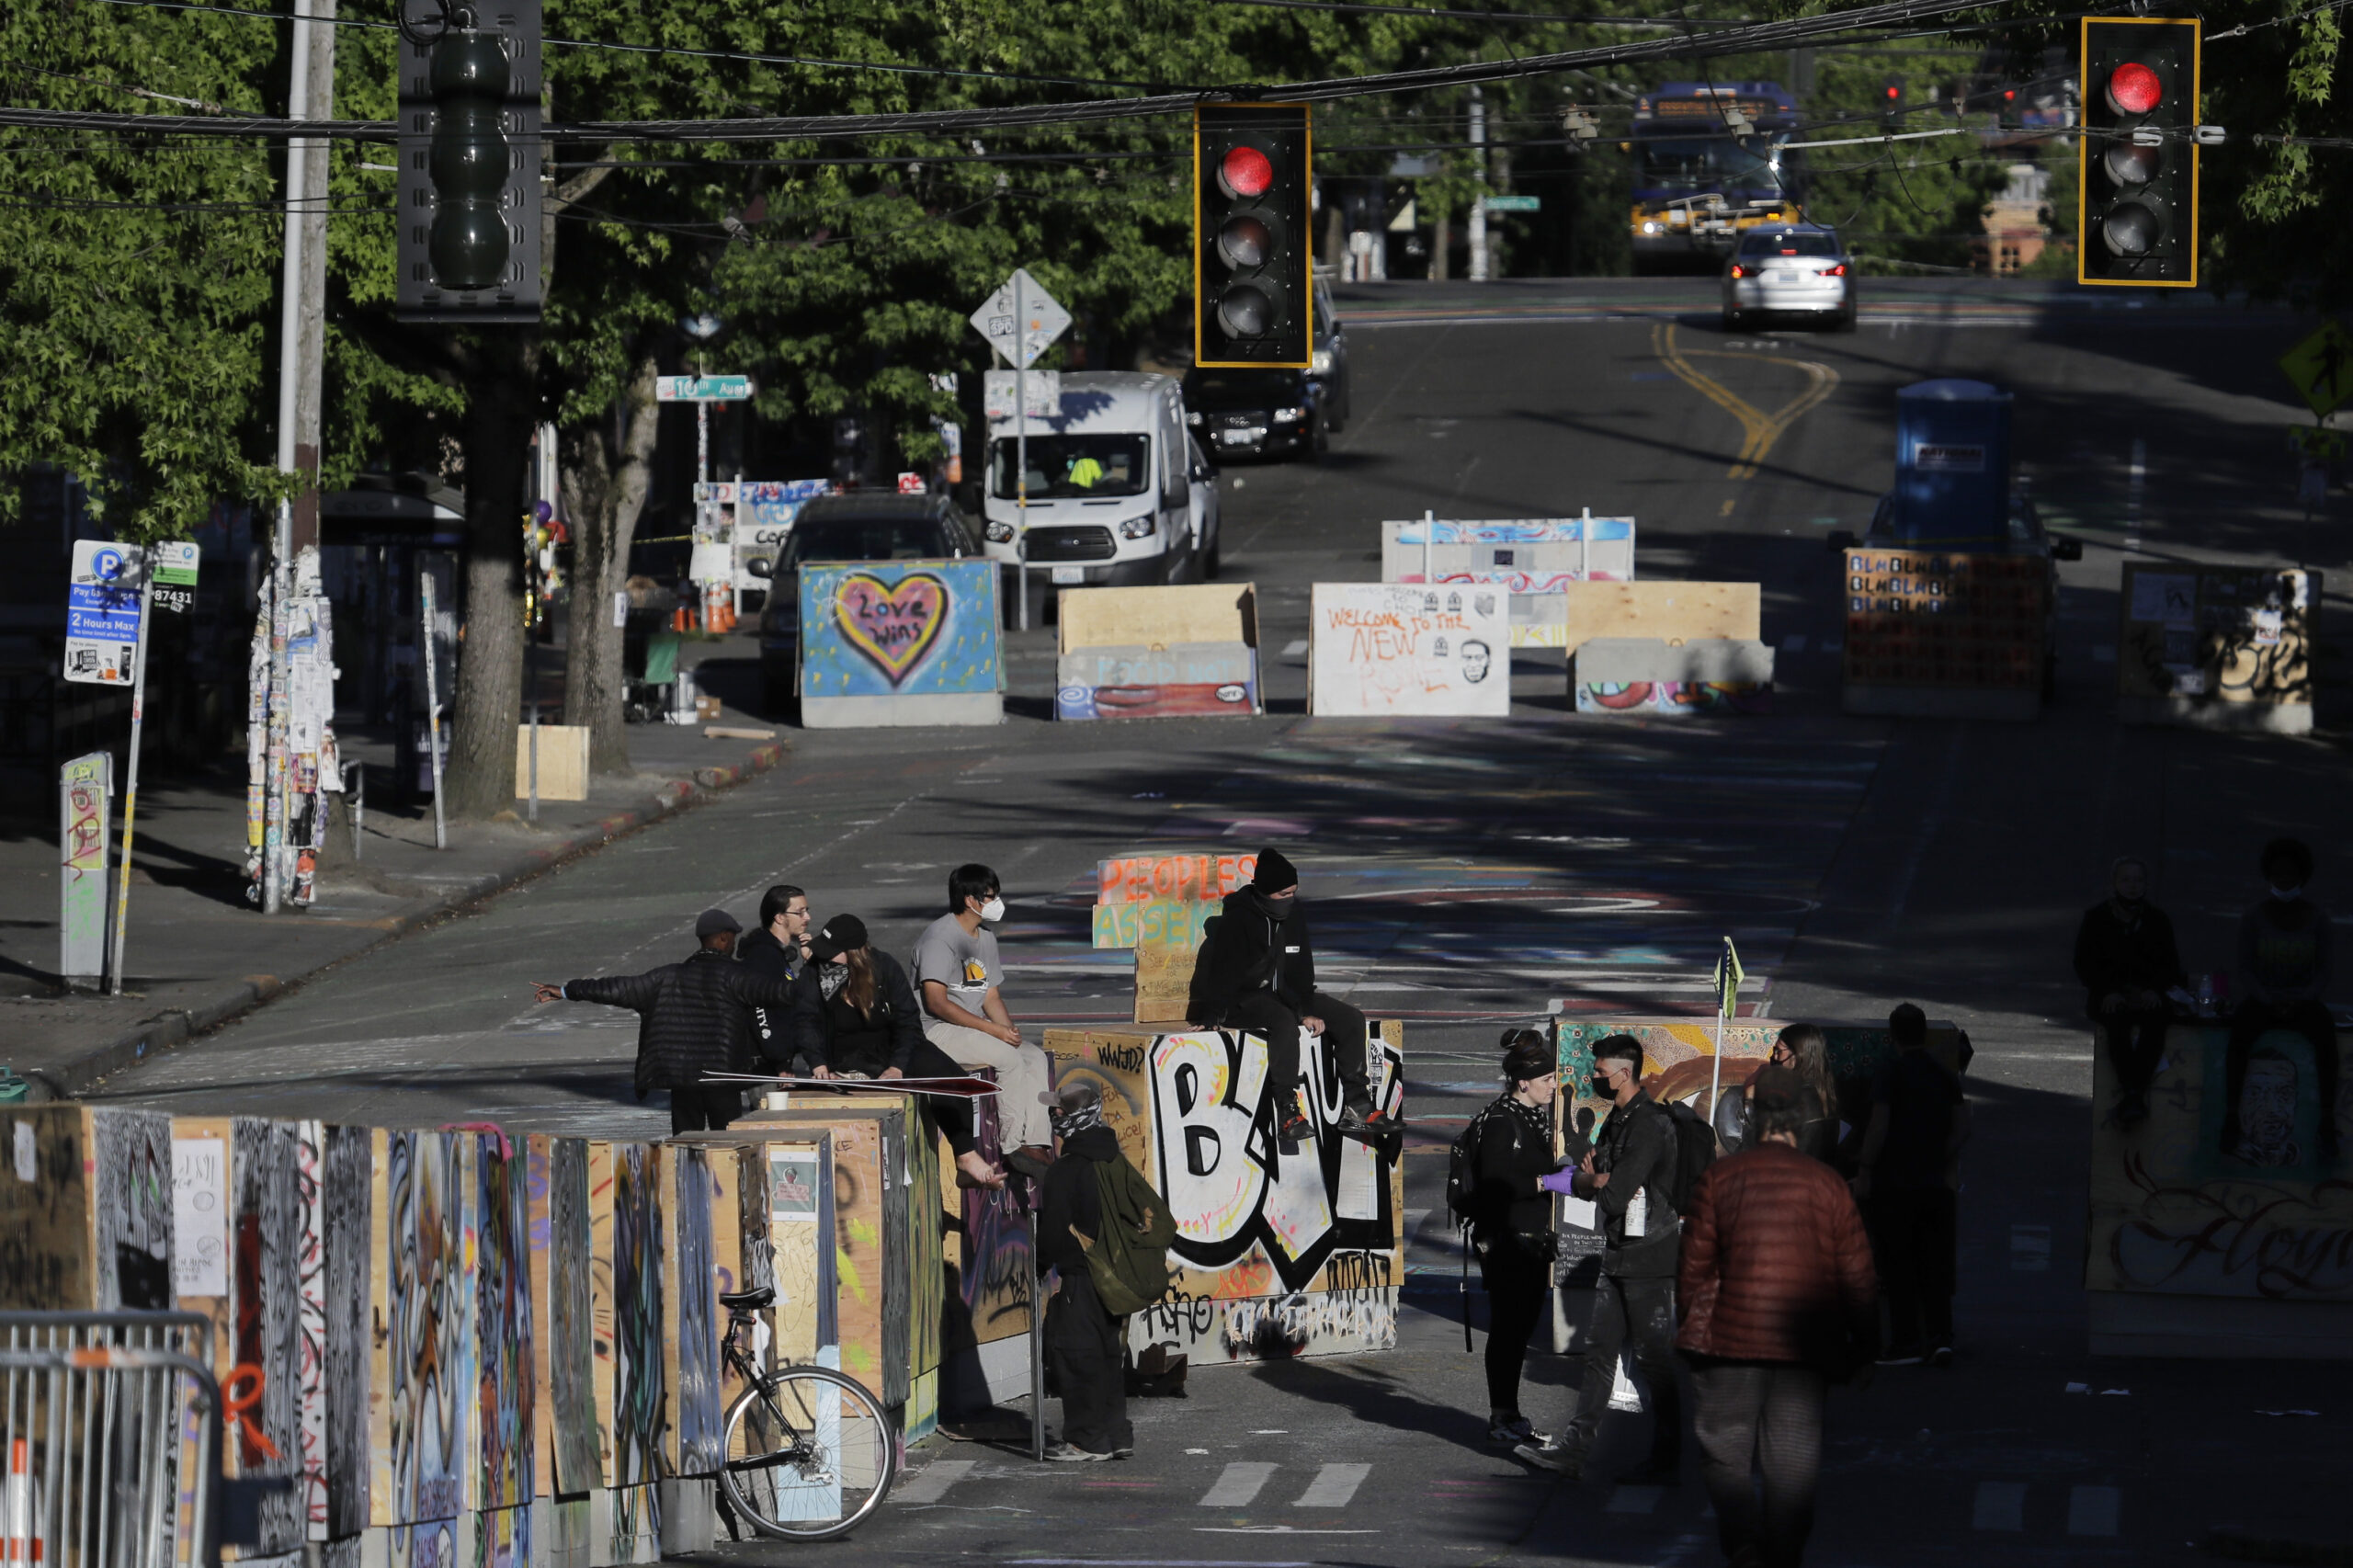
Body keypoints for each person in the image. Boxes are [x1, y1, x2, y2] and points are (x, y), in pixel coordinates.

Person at [1678, 1065, 1879, 1568]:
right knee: (1792, 1460)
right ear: (1804, 1120)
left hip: (1728, 1341)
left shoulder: (1720, 1179)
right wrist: (1865, 1348)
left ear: (1753, 1117)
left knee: (1723, 1450)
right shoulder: (1828, 1186)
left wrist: (1690, 1329)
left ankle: (1745, 1543)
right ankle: (1784, 1554)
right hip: (1805, 1346)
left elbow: (1692, 1270)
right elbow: (1857, 1275)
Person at [1516, 1034, 1683, 1485]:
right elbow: (1600, 1170)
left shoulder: (1648, 1124)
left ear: (1623, 1073)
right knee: (1599, 1354)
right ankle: (1574, 1450)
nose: (1594, 1078)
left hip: (1649, 1257)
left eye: (1600, 1071)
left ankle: (1672, 1451)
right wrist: (1595, 1172)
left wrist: (1590, 1178)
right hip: (1618, 1253)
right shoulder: (1618, 1119)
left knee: (1653, 1359)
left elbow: (1610, 1194)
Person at [784, 914, 1003, 1190]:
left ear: (854, 953)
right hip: (847, 1052)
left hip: (892, 1046)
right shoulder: (813, 973)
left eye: (833, 952)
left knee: (952, 1081)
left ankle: (966, 1157)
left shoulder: (884, 967)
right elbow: (805, 1022)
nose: (825, 958)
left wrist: (898, 1065)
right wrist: (817, 1064)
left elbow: (908, 1022)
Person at [533, 908, 798, 1134]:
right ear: (722, 938)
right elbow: (778, 993)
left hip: (681, 1080)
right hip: (721, 1078)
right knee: (728, 1147)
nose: (733, 946)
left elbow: (615, 988)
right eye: (731, 939)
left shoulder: (665, 977)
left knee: (684, 1146)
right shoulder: (736, 976)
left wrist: (568, 990)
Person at [1186, 849, 1387, 1142]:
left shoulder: (1294, 913)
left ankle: (1357, 1104)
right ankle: (1287, 1109)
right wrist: (1212, 1016)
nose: (1289, 899)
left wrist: (1305, 1007)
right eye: (1282, 894)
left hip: (1285, 994)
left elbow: (1302, 970)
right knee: (1282, 1022)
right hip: (1243, 999)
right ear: (1265, 892)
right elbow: (1223, 975)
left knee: (1351, 1018)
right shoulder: (1239, 920)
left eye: (1293, 892)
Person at [914, 865, 1056, 1176]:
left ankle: (1036, 1143)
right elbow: (936, 1003)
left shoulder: (986, 939)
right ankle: (1012, 1145)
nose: (997, 902)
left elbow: (991, 996)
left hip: (971, 1026)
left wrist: (1008, 1030)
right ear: (970, 900)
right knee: (1007, 1058)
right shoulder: (940, 939)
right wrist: (994, 1032)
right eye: (991, 896)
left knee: (1032, 1056)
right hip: (934, 1030)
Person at [1472, 1029, 1573, 1446]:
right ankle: (1503, 1416)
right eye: (1547, 1079)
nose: (1554, 1086)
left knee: (1519, 1329)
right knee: (1509, 1331)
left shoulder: (1528, 1118)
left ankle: (1508, 1414)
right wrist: (1550, 1181)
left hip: (1528, 1240)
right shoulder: (1500, 1122)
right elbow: (1497, 1184)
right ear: (1523, 1081)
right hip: (1508, 1243)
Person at [1853, 1004, 1968, 1367]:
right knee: (1934, 1263)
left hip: (1895, 1183)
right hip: (1935, 1183)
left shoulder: (1891, 1072)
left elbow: (1879, 1125)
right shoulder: (1943, 1073)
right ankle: (1940, 1337)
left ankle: (1905, 1342)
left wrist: (1867, 1168)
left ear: (1892, 1035)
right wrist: (1938, 1155)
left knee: (1898, 1263)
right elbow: (1965, 1126)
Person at [2223, 837, 2338, 1160]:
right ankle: (2232, 1117)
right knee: (2238, 1040)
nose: (2284, 882)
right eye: (2278, 877)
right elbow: (2244, 967)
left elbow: (2325, 969)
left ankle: (2328, 1122)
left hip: (2302, 1002)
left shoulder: (2317, 918)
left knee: (2326, 1041)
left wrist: (2302, 999)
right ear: (2268, 878)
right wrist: (2267, 999)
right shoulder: (2253, 916)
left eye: (2290, 878)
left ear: (2302, 879)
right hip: (2263, 1001)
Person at [1036, 1081, 1133, 1460]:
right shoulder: (1114, 1158)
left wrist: (1039, 1265)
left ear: (1075, 1118)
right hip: (1117, 1276)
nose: (1053, 1119)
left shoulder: (1068, 1169)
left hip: (1082, 1274)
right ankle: (1116, 1434)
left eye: (1058, 1113)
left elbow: (1054, 1230)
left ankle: (1086, 1440)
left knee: (1077, 1356)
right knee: (1109, 1355)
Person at [2073, 857, 2188, 1128]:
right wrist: (2106, 991)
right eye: (2126, 879)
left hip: (2147, 994)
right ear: (2114, 883)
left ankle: (2133, 1094)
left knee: (2156, 1024)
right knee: (2116, 1025)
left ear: (2146, 884)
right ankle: (2133, 1093)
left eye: (2138, 880)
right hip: (2111, 994)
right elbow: (2084, 963)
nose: (2132, 886)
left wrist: (2154, 990)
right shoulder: (2097, 918)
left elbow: (2170, 964)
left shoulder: (2158, 920)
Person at [741, 884, 811, 1063]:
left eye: (807, 911)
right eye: (800, 912)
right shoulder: (763, 956)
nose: (807, 917)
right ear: (779, 917)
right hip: (766, 1063)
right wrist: (778, 1060)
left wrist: (809, 964)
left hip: (776, 1058)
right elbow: (759, 1008)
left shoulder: (776, 954)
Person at [1767, 1024, 1841, 1165]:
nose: (1773, 1057)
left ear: (1797, 1056)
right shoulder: (1826, 1091)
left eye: (1778, 1051)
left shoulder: (1791, 1098)